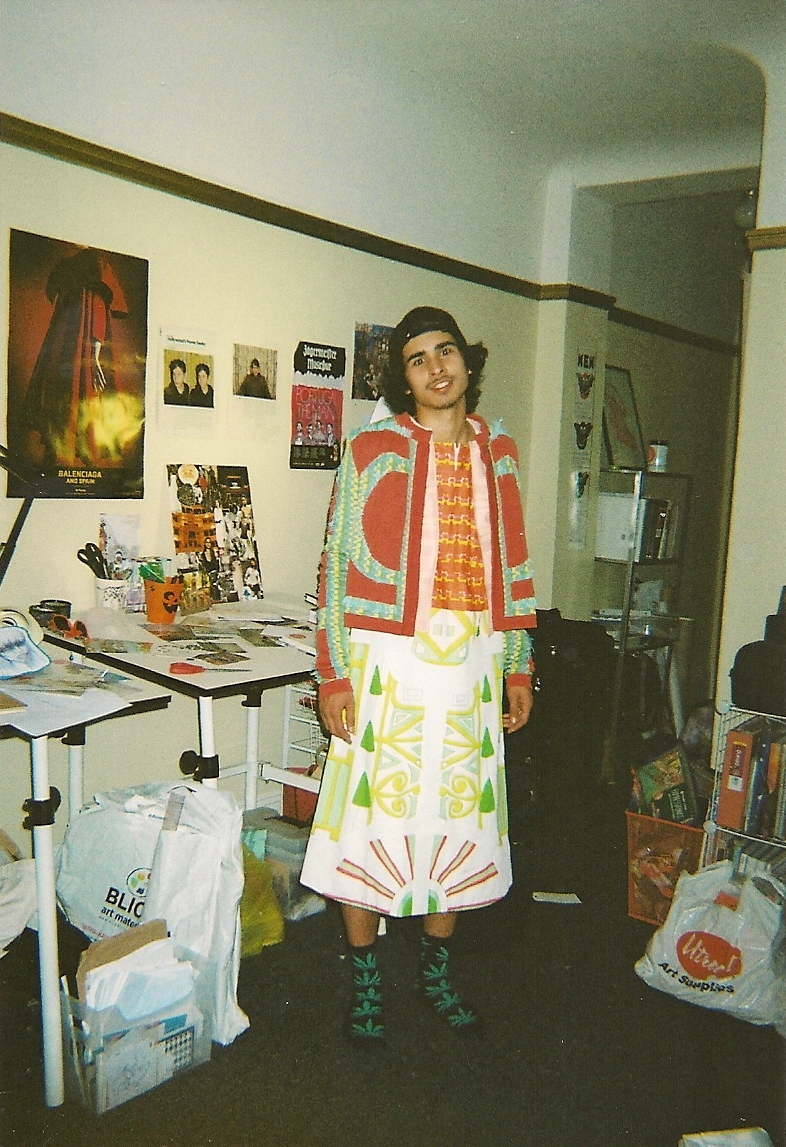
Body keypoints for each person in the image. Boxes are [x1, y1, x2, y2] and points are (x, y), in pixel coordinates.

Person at [300, 305, 537, 1045]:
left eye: (447, 351)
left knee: (457, 818)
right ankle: (366, 978)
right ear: (403, 379)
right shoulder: (370, 448)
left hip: (472, 667)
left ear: (467, 360)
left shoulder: (499, 451)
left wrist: (518, 664)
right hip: (387, 664)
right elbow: (336, 566)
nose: (437, 367)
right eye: (417, 358)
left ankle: (436, 972)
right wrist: (333, 675)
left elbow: (513, 562)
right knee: (369, 820)